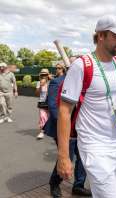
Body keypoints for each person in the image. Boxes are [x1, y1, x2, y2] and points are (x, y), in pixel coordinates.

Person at [56, 15, 116, 198]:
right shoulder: (82, 66)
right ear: (100, 36)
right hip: (95, 147)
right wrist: (64, 157)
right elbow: (64, 111)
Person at [43, 62, 91, 197]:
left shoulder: (85, 82)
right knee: (66, 156)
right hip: (63, 128)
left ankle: (78, 186)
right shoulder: (57, 82)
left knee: (83, 156)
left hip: (80, 128)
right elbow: (53, 107)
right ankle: (54, 183)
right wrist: (66, 126)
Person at [35, 68, 50, 139]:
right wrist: (41, 85)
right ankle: (41, 132)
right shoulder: (39, 82)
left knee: (50, 117)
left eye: (45, 73)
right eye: (42, 73)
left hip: (51, 102)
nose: (44, 75)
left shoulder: (52, 81)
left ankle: (51, 130)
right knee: (42, 117)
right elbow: (37, 94)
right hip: (42, 102)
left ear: (48, 74)